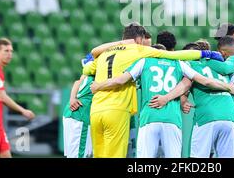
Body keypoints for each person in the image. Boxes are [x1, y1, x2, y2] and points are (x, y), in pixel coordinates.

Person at [86, 23, 224, 158]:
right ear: (139, 39)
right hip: (117, 109)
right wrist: (205, 53)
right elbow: (174, 56)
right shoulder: (139, 51)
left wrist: (98, 85)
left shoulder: (104, 54)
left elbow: (87, 68)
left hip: (96, 110)